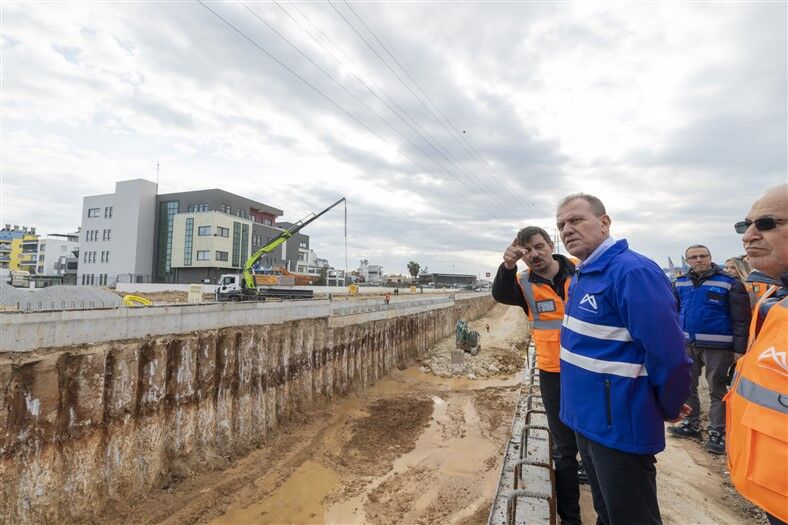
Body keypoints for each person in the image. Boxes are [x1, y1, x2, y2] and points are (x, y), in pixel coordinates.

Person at [556, 193, 692, 525]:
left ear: (604, 223)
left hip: (618, 424)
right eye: (561, 225)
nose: (567, 229)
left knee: (630, 517)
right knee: (606, 511)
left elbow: (668, 354)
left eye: (576, 220)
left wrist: (669, 405)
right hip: (586, 419)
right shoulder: (584, 274)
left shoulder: (632, 272)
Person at [492, 225, 582, 525]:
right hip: (552, 371)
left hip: (589, 370)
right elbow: (500, 293)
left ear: (551, 245)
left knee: (593, 444)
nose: (534, 254)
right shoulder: (524, 282)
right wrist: (508, 265)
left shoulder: (581, 271)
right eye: (526, 251)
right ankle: (571, 518)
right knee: (564, 449)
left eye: (539, 246)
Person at [726, 184, 787, 525]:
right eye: (744, 225)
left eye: (766, 223)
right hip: (773, 489)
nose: (748, 235)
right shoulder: (773, 300)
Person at [667, 245, 750, 454]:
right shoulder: (680, 283)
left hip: (719, 348)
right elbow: (674, 312)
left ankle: (717, 433)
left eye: (703, 256)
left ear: (710, 257)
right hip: (688, 345)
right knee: (687, 387)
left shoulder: (729, 283)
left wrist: (739, 350)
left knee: (717, 390)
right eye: (693, 257)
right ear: (688, 261)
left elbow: (741, 320)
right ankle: (691, 424)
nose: (698, 260)